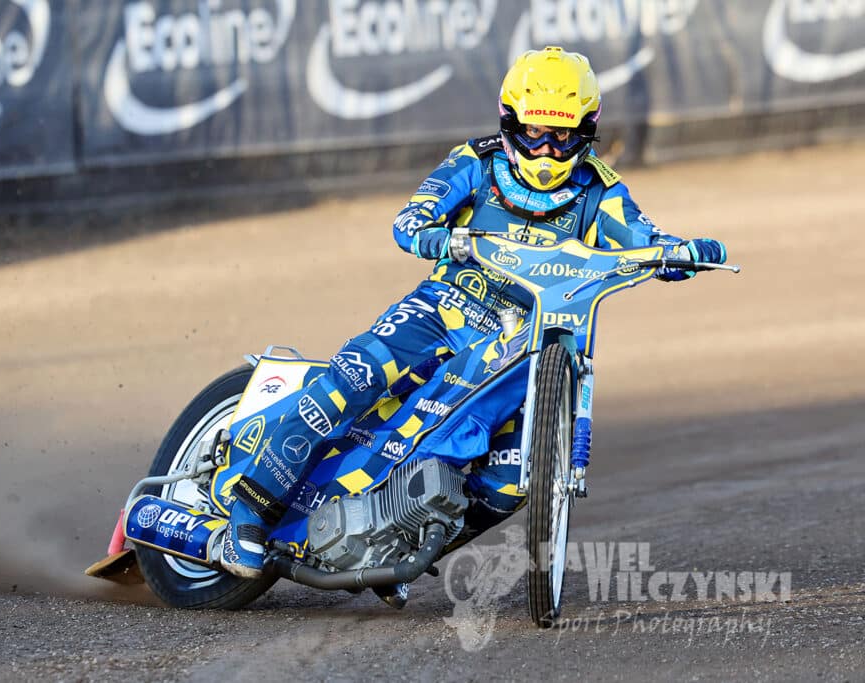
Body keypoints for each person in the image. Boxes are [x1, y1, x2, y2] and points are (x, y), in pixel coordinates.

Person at [220, 46, 727, 595]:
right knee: (356, 375)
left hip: (520, 346)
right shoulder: (474, 162)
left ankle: (401, 542)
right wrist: (437, 237)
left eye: (561, 136)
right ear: (510, 122)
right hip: (441, 309)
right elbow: (410, 221)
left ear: (587, 130)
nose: (546, 149)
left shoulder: (602, 191)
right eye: (534, 133)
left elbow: (646, 239)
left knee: (509, 485)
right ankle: (249, 512)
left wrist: (682, 253)